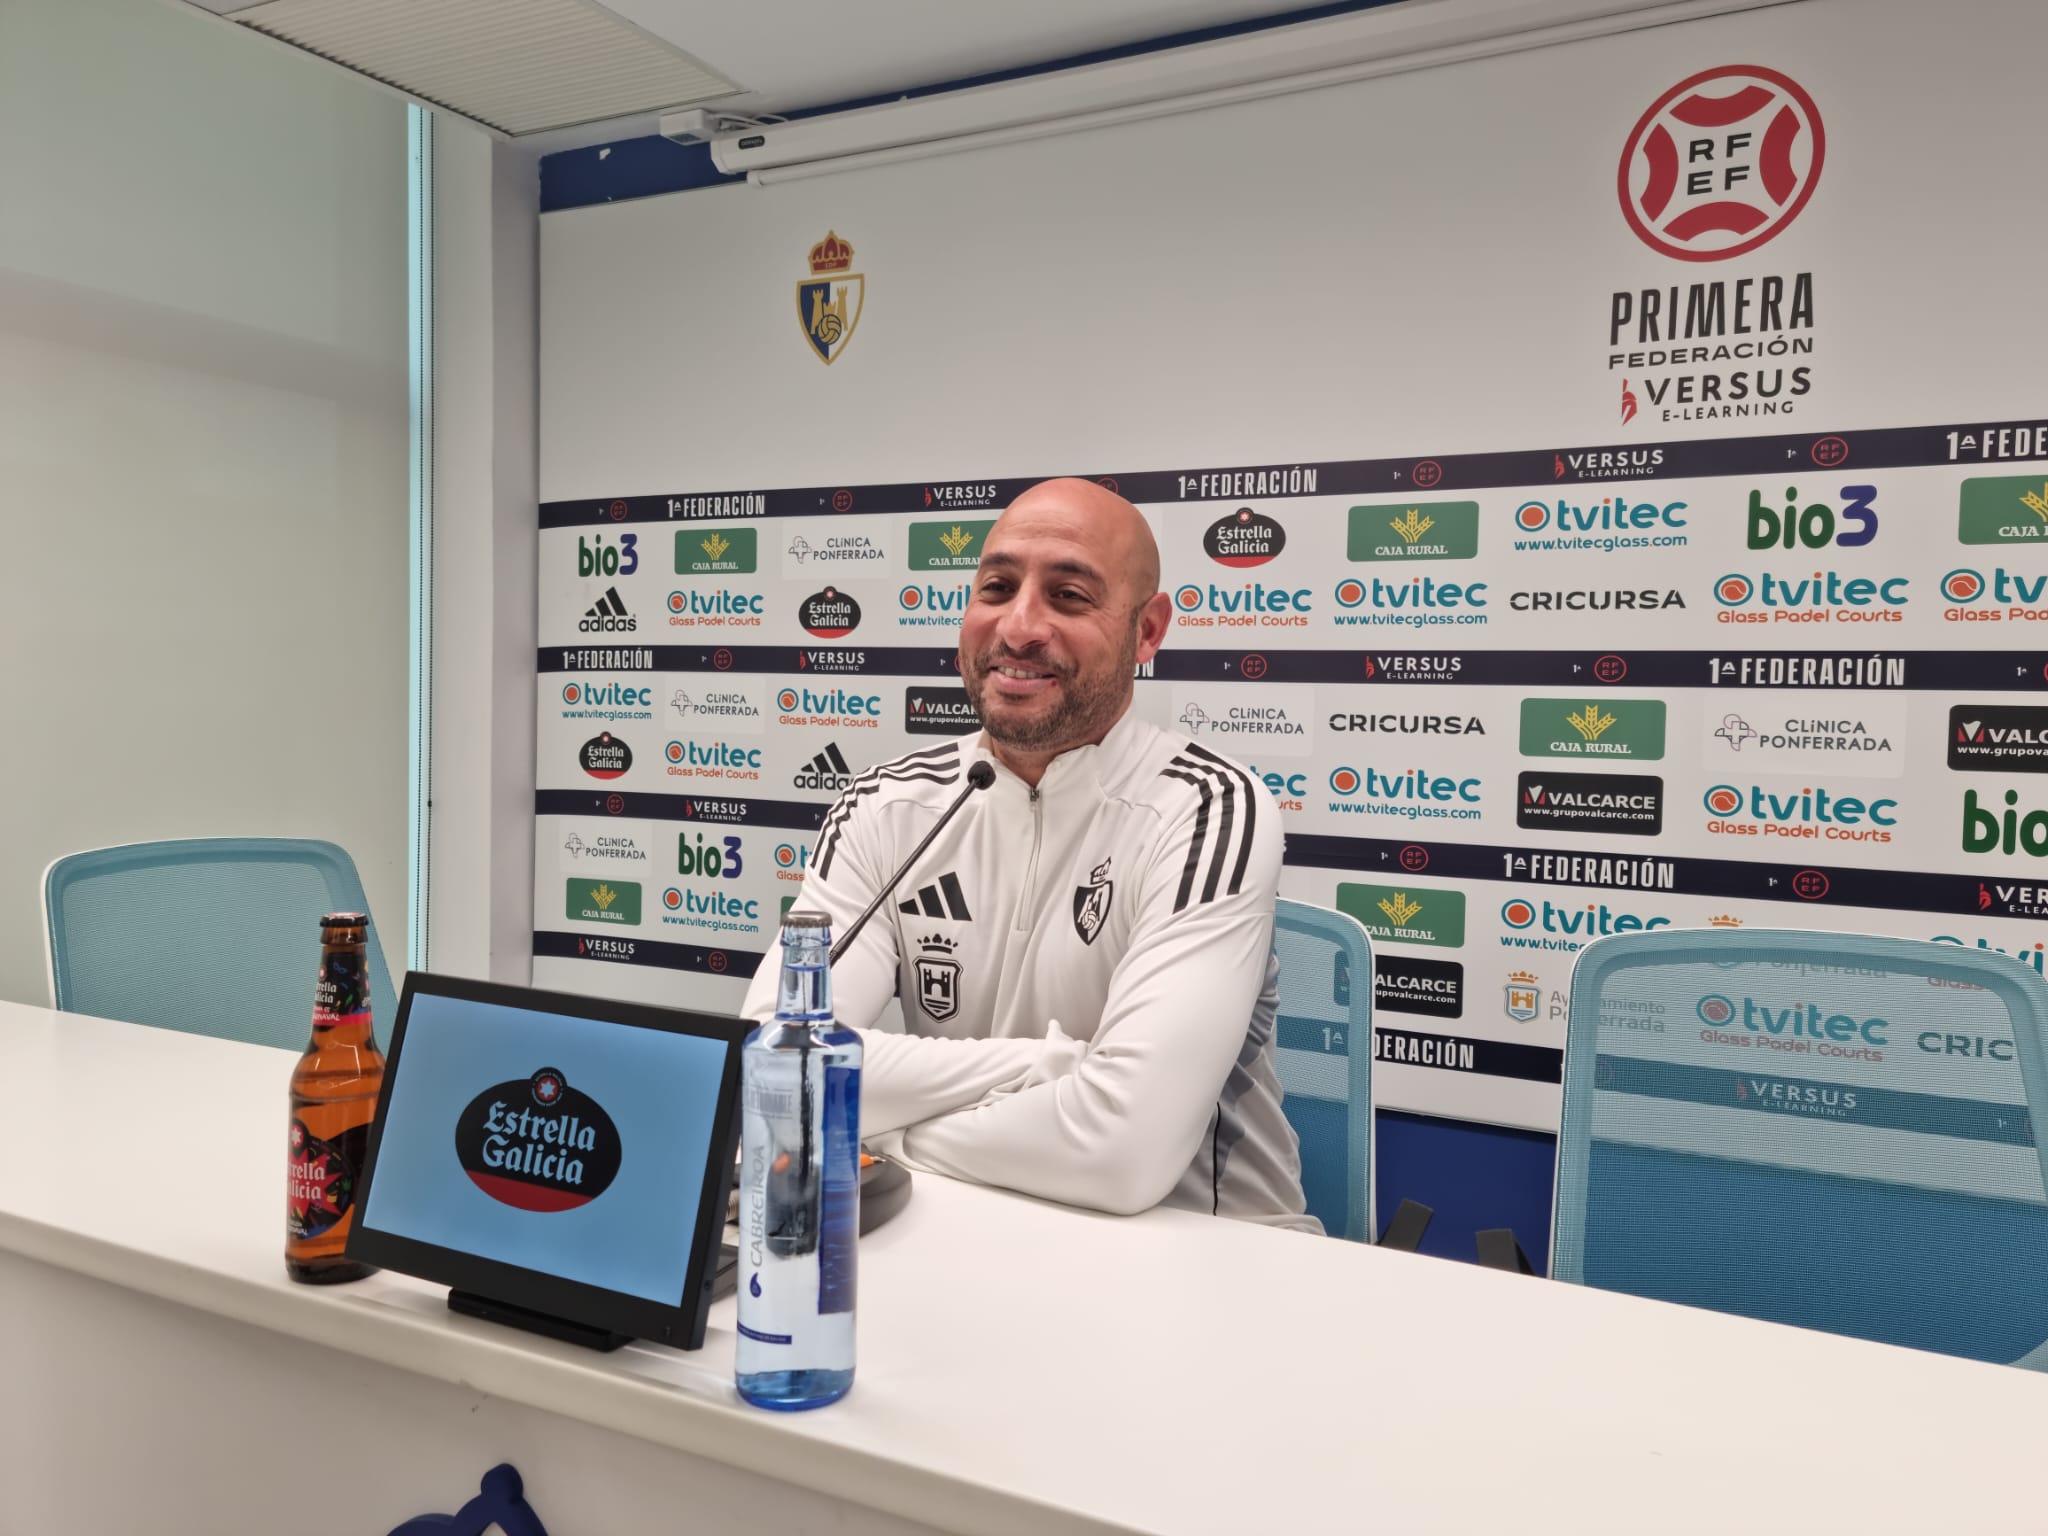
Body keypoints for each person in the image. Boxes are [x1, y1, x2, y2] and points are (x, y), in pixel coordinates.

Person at [742, 478, 1316, 1232]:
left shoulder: (1208, 806)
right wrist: (1055, 1070)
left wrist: (879, 1133)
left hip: (1203, 1250)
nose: (1018, 627)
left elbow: (1122, 1152)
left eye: (1069, 596)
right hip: (961, 1224)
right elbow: (772, 1072)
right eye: (997, 587)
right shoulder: (886, 805)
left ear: (1148, 631)